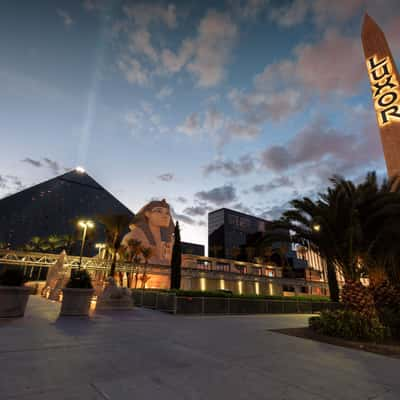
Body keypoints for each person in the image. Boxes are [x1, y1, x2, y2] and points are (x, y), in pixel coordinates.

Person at [121, 199, 174, 265]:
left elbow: (173, 259)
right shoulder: (134, 235)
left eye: (167, 213)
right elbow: (136, 260)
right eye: (159, 211)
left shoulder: (170, 239)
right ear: (147, 214)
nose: (165, 216)